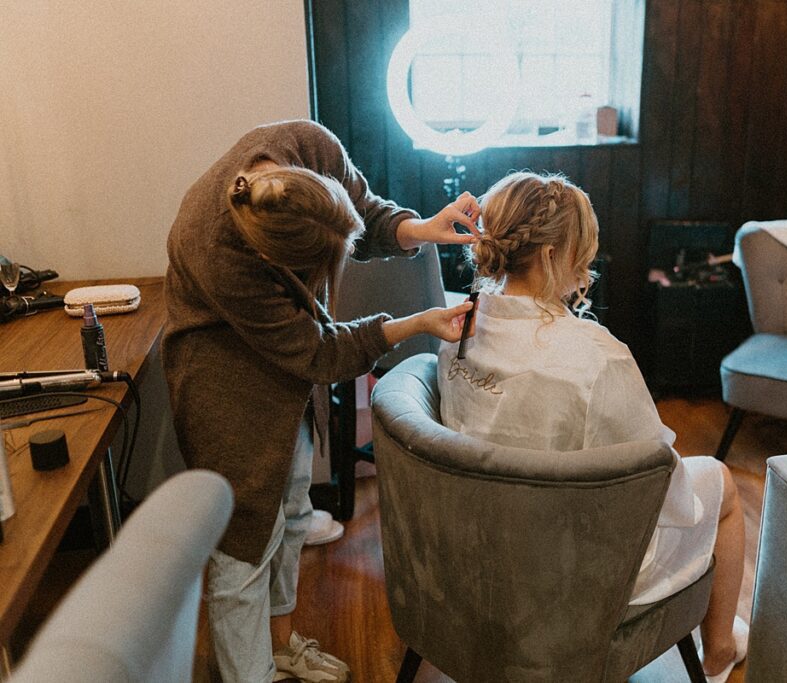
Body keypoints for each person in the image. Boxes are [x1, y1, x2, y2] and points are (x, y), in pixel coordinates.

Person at [163, 120, 478, 683]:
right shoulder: (216, 251)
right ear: (274, 263)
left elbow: (368, 213)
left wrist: (420, 228)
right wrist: (415, 324)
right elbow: (320, 350)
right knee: (242, 547)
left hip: (286, 366)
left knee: (292, 514)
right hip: (222, 383)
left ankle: (281, 649)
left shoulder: (308, 147)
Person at [436, 172, 747, 682]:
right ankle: (717, 654)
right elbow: (662, 485)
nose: (585, 266)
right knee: (721, 483)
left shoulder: (458, 327)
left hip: (477, 549)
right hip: (565, 574)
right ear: (553, 254)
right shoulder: (596, 357)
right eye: (582, 252)